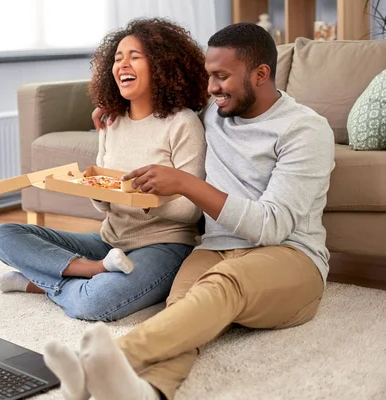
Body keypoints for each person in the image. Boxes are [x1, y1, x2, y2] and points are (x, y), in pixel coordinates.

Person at [42, 22, 335, 400]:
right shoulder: (215, 112)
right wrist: (109, 109)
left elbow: (272, 226)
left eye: (221, 77)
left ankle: (102, 362)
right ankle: (148, 391)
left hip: (291, 256)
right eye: (208, 76)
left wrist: (185, 184)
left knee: (221, 285)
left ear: (261, 74)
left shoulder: (305, 130)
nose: (211, 89)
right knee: (182, 313)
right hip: (214, 248)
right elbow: (160, 101)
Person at [0, 18, 209, 322]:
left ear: (161, 66)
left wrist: (140, 199)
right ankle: (92, 269)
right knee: (4, 235)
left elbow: (190, 211)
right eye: (118, 58)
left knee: (93, 303)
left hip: (165, 246)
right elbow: (103, 203)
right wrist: (95, 190)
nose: (123, 65)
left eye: (135, 56)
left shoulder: (183, 124)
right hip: (109, 244)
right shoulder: (111, 122)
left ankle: (36, 283)